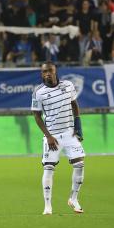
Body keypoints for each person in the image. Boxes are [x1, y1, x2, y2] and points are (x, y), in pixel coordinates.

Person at [31, 62, 86, 215]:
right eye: (44, 72)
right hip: (52, 136)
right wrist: (48, 136)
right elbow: (36, 115)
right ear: (42, 74)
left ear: (55, 71)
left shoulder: (68, 85)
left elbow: (74, 104)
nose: (47, 73)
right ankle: (47, 206)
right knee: (48, 168)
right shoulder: (38, 92)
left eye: (49, 70)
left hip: (69, 133)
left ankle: (73, 199)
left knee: (80, 164)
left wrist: (78, 126)